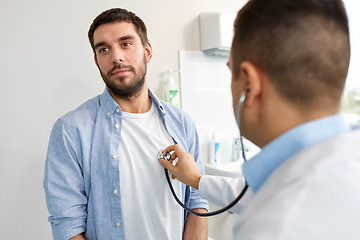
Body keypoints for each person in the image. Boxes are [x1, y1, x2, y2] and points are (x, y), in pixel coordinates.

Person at [159, 0, 360, 239]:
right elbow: (257, 192)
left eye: (230, 71)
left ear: (250, 85)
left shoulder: (275, 226)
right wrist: (196, 179)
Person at [43, 8, 208, 240]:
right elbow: (67, 225)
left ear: (147, 51)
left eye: (126, 44)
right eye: (104, 49)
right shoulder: (71, 130)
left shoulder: (181, 123)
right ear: (96, 60)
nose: (116, 57)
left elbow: (197, 202)